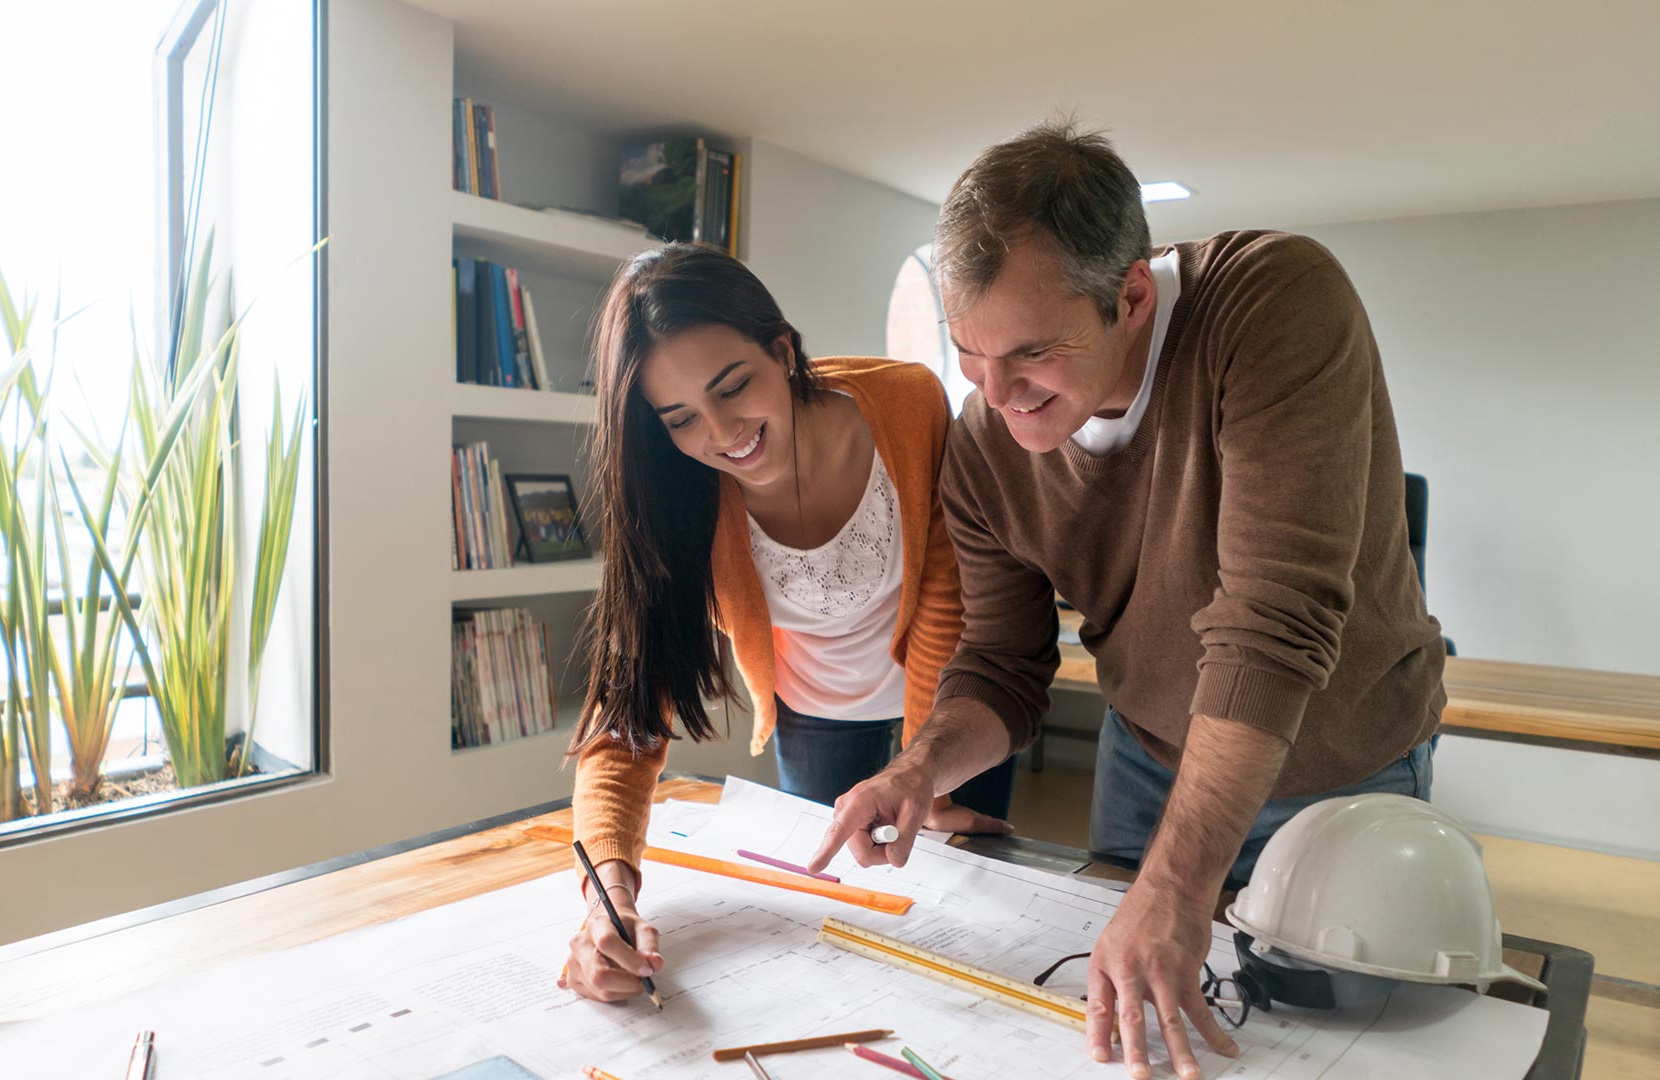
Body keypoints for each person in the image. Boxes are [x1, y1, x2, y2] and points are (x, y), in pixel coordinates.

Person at [807, 123, 1446, 1079]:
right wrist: (924, 764)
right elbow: (1003, 663)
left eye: (1030, 353)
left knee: (1332, 1050)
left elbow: (1274, 621)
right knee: (1135, 1038)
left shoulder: (1273, 300)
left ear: (1133, 295)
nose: (995, 393)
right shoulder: (986, 440)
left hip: (1338, 758)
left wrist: (1178, 888)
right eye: (969, 353)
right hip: (1149, 758)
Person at [559, 244, 1016, 1004]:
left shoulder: (907, 402)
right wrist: (610, 888)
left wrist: (927, 768)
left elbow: (946, 592)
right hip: (815, 719)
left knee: (968, 934)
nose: (721, 433)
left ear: (781, 348)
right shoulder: (678, 495)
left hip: (951, 708)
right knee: (836, 942)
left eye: (733, 386)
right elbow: (626, 719)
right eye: (679, 418)